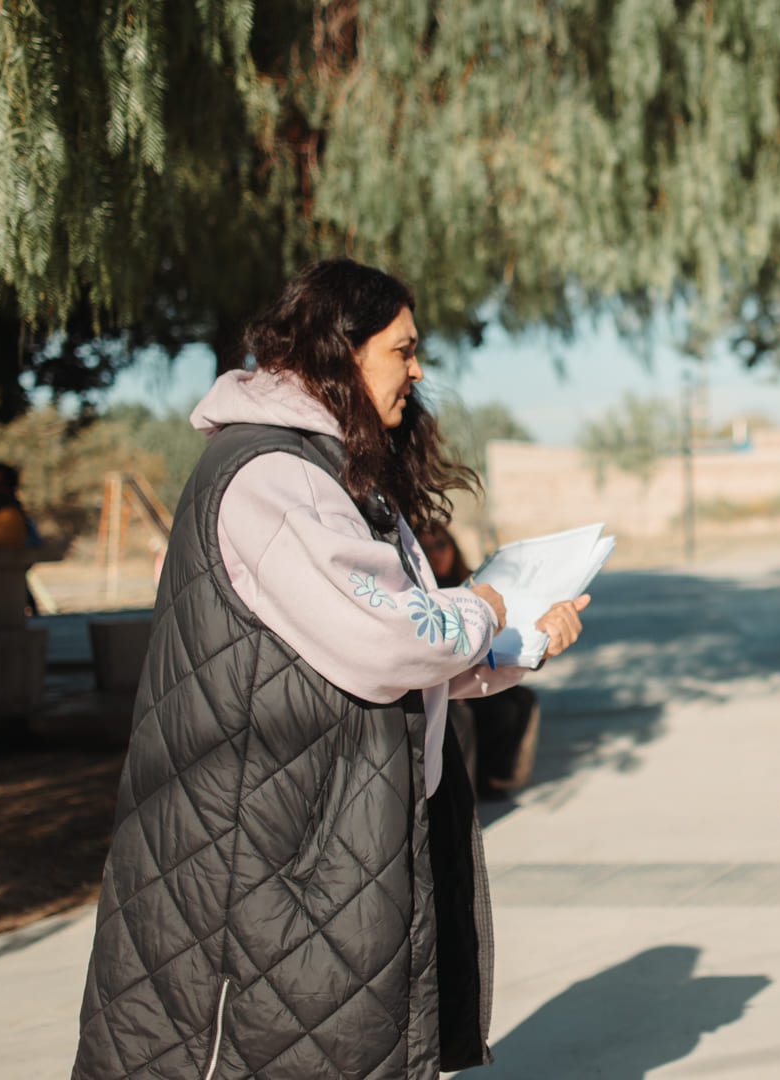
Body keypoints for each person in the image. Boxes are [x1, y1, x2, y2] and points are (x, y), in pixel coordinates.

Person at [70, 258, 590, 1080]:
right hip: (263, 853)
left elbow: (391, 649)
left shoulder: (327, 472)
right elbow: (387, 639)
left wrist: (516, 644)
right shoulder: (270, 476)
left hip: (323, 844)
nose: (417, 372)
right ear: (339, 349)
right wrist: (485, 605)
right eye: (402, 350)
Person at [416, 522, 542, 795]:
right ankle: (482, 780)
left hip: (483, 666)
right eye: (426, 548)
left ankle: (499, 774)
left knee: (522, 699)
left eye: (441, 544)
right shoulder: (425, 595)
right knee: (480, 712)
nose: (436, 553)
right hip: (453, 678)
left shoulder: (473, 583)